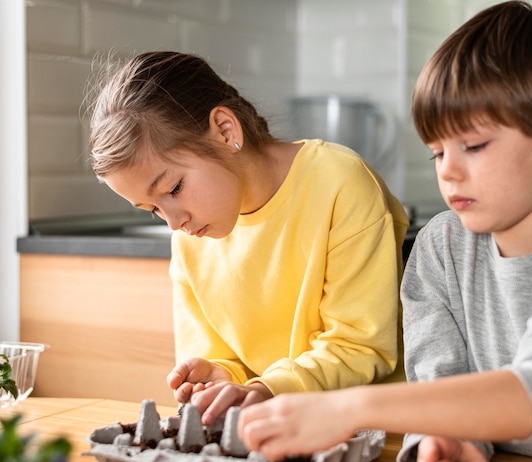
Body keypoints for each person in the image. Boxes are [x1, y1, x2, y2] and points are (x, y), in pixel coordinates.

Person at [237, 0, 532, 462]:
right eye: (437, 151)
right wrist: (448, 442)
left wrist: (347, 408)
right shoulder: (441, 247)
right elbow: (439, 380)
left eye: (475, 146)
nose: (447, 171)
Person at [87, 51, 409, 425]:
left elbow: (360, 346)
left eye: (174, 188)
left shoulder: (340, 182)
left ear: (225, 130)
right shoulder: (191, 235)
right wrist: (221, 377)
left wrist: (265, 390)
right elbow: (219, 356)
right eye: (152, 209)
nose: (173, 223)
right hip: (271, 430)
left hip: (372, 430)